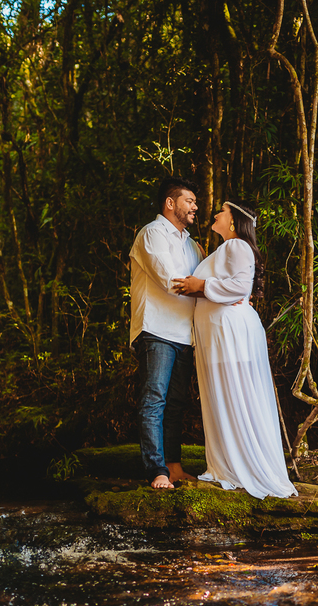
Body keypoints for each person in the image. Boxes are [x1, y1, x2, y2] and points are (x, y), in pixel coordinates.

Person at [172, 200, 297, 499]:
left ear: (233, 222)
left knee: (235, 393)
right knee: (228, 395)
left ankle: (241, 465)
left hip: (228, 334)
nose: (215, 214)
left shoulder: (236, 246)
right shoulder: (227, 248)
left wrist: (199, 285)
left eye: (222, 212)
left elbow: (240, 288)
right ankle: (230, 463)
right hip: (221, 332)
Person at [129, 177, 203, 489]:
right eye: (189, 201)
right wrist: (213, 289)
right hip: (157, 329)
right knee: (154, 399)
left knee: (176, 403)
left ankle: (173, 466)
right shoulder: (151, 234)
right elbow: (170, 280)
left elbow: (201, 283)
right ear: (170, 203)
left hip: (184, 334)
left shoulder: (192, 245)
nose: (195, 207)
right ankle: (156, 471)